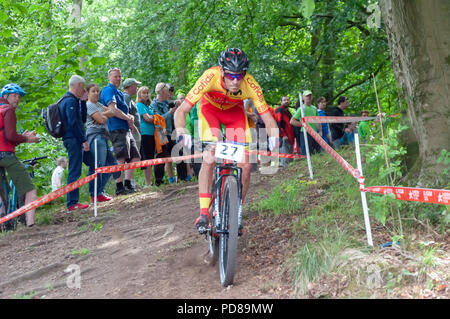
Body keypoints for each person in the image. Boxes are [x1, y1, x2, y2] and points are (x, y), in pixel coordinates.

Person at [174, 48, 279, 234]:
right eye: (231, 76)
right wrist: (182, 131)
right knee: (209, 158)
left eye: (240, 76)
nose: (236, 81)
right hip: (210, 111)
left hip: (234, 113)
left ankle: (236, 211)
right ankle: (204, 212)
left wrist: (273, 136)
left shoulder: (250, 84)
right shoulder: (209, 77)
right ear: (222, 71)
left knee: (245, 165)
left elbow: (268, 117)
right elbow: (181, 111)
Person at [0, 83, 40, 226]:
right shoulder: (8, 110)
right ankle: (31, 224)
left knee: (1, 194)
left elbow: (6, 138)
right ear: (5, 96)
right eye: (14, 96)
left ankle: (5, 225)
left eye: (19, 97)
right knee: (30, 189)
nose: (17, 99)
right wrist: (28, 138)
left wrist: (21, 138)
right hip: (6, 156)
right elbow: (10, 136)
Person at [100, 68, 140, 195]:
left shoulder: (120, 93)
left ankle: (128, 184)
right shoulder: (108, 90)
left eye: (120, 76)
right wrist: (127, 117)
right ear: (109, 78)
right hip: (116, 128)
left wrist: (130, 117)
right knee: (121, 157)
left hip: (126, 128)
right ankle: (119, 186)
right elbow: (113, 110)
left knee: (135, 156)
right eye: (115, 76)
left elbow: (124, 111)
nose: (118, 78)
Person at [59, 75, 90, 212]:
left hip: (73, 138)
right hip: (72, 139)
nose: (83, 90)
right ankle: (72, 203)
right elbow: (73, 123)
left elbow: (82, 119)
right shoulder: (69, 101)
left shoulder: (74, 100)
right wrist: (83, 140)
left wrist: (83, 102)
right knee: (74, 170)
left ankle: (73, 201)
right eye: (82, 87)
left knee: (76, 168)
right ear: (77, 86)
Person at [85, 83, 120, 202]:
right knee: (97, 165)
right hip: (95, 137)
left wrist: (101, 115)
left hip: (104, 136)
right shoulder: (88, 105)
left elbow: (112, 112)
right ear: (87, 93)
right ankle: (95, 193)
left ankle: (99, 191)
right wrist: (102, 116)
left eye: (97, 91)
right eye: (93, 91)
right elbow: (101, 119)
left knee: (111, 164)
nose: (96, 93)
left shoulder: (98, 105)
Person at [151, 83, 184, 185]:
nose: (169, 95)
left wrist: (177, 102)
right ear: (161, 93)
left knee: (178, 152)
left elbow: (174, 102)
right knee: (161, 156)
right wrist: (169, 113)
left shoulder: (167, 103)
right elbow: (158, 119)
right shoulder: (153, 105)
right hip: (160, 133)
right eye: (167, 93)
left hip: (170, 133)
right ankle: (159, 181)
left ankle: (182, 178)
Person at [123, 78, 142, 189]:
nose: (137, 87)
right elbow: (125, 114)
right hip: (131, 132)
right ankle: (129, 182)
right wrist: (132, 127)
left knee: (134, 157)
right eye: (136, 85)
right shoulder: (126, 97)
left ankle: (130, 181)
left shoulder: (129, 98)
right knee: (131, 157)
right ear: (130, 86)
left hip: (133, 131)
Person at [290, 90, 322, 155]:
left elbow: (318, 120)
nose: (309, 97)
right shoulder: (301, 108)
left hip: (314, 133)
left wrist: (320, 131)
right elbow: (292, 121)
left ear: (312, 97)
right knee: (306, 154)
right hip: (305, 133)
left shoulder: (314, 108)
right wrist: (303, 124)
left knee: (317, 153)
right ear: (303, 97)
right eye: (307, 96)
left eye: (310, 95)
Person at [136, 86, 155, 187]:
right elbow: (147, 118)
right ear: (139, 94)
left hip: (152, 134)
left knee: (151, 157)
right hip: (144, 134)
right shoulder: (139, 105)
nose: (146, 95)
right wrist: (155, 118)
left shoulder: (149, 106)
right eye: (144, 93)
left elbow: (154, 116)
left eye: (147, 93)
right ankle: (147, 183)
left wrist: (154, 118)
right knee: (147, 157)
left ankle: (149, 182)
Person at [274, 96, 295, 167]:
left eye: (288, 100)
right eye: (284, 100)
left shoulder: (288, 112)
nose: (286, 101)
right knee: (285, 159)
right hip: (283, 137)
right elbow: (277, 123)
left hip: (290, 136)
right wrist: (282, 135)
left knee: (290, 158)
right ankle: (283, 172)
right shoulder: (279, 110)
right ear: (281, 102)